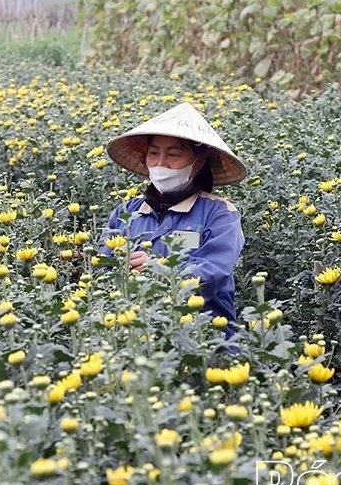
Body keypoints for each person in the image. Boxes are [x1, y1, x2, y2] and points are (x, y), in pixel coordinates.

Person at [98, 102, 247, 333]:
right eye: (154, 153)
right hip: (134, 336)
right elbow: (102, 272)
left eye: (174, 155)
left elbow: (213, 272)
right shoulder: (126, 213)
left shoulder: (220, 213)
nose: (160, 164)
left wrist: (159, 270)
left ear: (199, 161)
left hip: (203, 337)